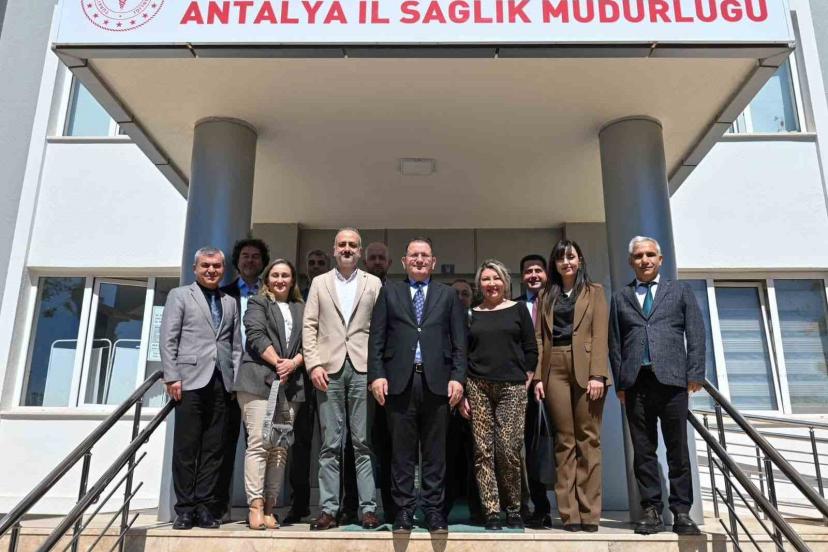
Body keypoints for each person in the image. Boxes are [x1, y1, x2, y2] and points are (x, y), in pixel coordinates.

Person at [368, 237, 466, 534]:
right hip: (399, 382)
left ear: (433, 262)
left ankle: (434, 511)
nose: (419, 260)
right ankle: (404, 511)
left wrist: (458, 378)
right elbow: (377, 338)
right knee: (402, 453)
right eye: (414, 255)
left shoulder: (448, 295)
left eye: (425, 255)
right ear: (404, 261)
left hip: (438, 383)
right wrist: (377, 375)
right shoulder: (389, 292)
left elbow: (459, 343)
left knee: (435, 453)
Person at [609, 236, 705, 536]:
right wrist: (620, 383)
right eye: (639, 256)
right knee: (643, 450)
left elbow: (696, 333)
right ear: (631, 262)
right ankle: (650, 510)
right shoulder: (620, 297)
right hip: (636, 383)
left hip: (673, 381)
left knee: (678, 449)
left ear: (660, 260)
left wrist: (695, 373)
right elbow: (615, 344)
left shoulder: (680, 291)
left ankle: (682, 512)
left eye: (650, 254)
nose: (645, 260)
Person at [303, 227, 383, 530]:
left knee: (362, 442)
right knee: (330, 444)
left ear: (359, 251)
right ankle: (328, 509)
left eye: (352, 245)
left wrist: (378, 371)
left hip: (363, 369)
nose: (347, 249)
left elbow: (380, 329)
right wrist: (313, 365)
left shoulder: (373, 283)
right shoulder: (320, 283)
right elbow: (309, 326)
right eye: (342, 245)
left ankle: (368, 509)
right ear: (334, 250)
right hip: (328, 370)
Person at [160, 247, 242, 530]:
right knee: (186, 448)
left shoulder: (230, 302)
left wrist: (234, 381)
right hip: (189, 381)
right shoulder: (180, 295)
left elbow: (235, 345)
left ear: (223, 269)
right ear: (195, 268)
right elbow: (168, 338)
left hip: (222, 382)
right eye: (206, 265)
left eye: (217, 266)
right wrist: (172, 376)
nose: (211, 270)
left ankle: (205, 508)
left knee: (214, 449)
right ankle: (184, 509)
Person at [533, 241, 610, 532]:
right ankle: (570, 514)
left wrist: (598, 374)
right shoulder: (545, 295)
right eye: (560, 258)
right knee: (564, 440)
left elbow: (600, 335)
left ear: (580, 260)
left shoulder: (595, 292)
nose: (566, 262)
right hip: (554, 367)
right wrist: (538, 377)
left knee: (588, 439)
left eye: (571, 257)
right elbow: (539, 338)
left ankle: (590, 513)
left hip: (587, 368)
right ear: (554, 264)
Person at [459, 259, 537, 531]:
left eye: (496, 278)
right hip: (477, 386)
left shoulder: (518, 309)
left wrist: (527, 379)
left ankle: (513, 507)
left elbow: (531, 348)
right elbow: (462, 353)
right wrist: (463, 393)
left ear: (505, 282)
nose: (491, 284)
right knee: (483, 451)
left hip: (512, 387)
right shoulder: (470, 314)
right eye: (486, 279)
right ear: (479, 284)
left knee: (508, 449)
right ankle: (491, 510)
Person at [236, 258, 305, 530]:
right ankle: (254, 505)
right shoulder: (258, 303)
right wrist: (279, 362)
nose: (280, 280)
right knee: (259, 443)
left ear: (292, 280)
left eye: (285, 275)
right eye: (275, 275)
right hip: (258, 381)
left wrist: (293, 364)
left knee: (280, 448)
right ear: (267, 279)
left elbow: (312, 341)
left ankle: (269, 508)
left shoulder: (301, 307)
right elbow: (255, 335)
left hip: (291, 385)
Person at [215, 237, 269, 521]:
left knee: (258, 444)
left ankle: (257, 508)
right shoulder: (222, 293)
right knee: (223, 443)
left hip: (259, 377)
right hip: (229, 376)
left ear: (263, 262)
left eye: (255, 256)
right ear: (237, 261)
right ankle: (220, 507)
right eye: (245, 256)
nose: (250, 260)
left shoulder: (271, 294)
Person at [284, 247, 330, 524]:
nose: (315, 266)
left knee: (331, 442)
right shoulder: (297, 295)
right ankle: (298, 503)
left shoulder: (333, 291)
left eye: (321, 262)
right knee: (300, 443)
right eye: (311, 262)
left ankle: (332, 506)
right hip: (300, 378)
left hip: (329, 375)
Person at [515, 253, 552, 528]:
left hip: (555, 383)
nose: (533, 275)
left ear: (547, 274)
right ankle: (534, 507)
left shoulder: (558, 303)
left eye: (538, 270)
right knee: (528, 449)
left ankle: (571, 508)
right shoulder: (514, 307)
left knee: (554, 447)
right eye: (528, 271)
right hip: (521, 386)